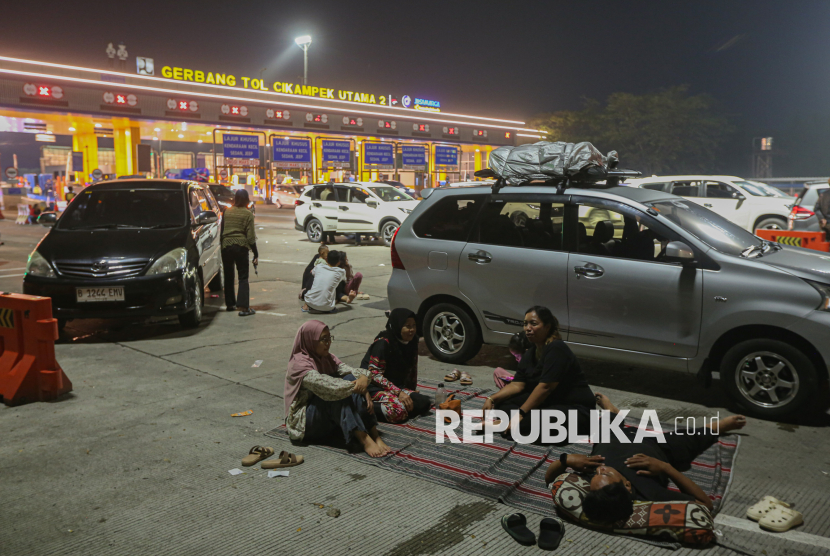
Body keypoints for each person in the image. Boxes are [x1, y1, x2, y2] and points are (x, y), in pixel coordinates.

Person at [544, 393, 747, 522]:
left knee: (607, 423)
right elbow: (705, 505)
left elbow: (550, 480)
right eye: (605, 472)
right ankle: (716, 428)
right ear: (627, 486)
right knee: (689, 438)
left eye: (598, 473)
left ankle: (612, 411)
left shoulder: (597, 488)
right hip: (657, 447)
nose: (600, 469)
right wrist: (666, 468)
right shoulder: (649, 492)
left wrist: (565, 460)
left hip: (611, 435)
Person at [482, 306, 595, 437]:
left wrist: (521, 413)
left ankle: (506, 424)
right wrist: (491, 399)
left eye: (533, 324)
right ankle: (513, 423)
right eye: (525, 324)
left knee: (541, 420)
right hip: (550, 402)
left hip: (575, 409)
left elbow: (545, 388)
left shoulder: (557, 348)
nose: (527, 328)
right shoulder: (530, 353)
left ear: (547, 327)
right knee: (503, 403)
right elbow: (517, 384)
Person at [284, 320, 391, 458]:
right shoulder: (299, 364)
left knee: (350, 379)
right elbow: (330, 387)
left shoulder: (327, 358)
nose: (328, 343)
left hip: (322, 413)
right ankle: (364, 439)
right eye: (323, 339)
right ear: (310, 340)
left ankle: (374, 435)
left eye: (329, 338)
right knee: (339, 393)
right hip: (303, 422)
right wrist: (361, 387)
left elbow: (354, 372)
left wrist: (363, 380)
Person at [360, 309, 432, 422]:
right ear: (397, 326)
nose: (412, 330)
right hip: (373, 386)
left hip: (395, 385)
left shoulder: (412, 341)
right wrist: (398, 393)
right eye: (407, 326)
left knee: (423, 402)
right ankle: (363, 406)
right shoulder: (383, 343)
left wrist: (409, 390)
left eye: (414, 325)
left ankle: (396, 405)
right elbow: (373, 375)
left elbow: (412, 368)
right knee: (398, 412)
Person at [221, 189, 258, 317]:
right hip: (241, 247)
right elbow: (251, 237)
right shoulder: (248, 214)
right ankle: (243, 307)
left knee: (228, 275)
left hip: (226, 246)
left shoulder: (226, 212)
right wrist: (255, 253)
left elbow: (222, 231)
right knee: (243, 277)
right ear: (247, 199)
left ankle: (230, 304)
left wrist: (222, 246)